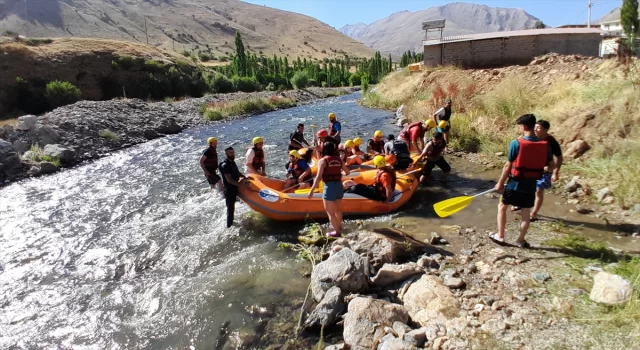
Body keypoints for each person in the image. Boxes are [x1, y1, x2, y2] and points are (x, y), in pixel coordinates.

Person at [491, 114, 555, 248]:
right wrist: (539, 169)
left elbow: (508, 166)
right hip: (531, 185)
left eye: (520, 126)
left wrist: (500, 182)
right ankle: (520, 240)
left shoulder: (516, 143)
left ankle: (500, 236)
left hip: (514, 183)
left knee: (502, 207)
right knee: (526, 213)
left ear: (524, 126)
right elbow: (551, 166)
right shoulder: (545, 145)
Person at [308, 142, 350, 237]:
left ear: (324, 149)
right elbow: (347, 172)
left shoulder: (322, 161)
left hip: (329, 187)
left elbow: (318, 178)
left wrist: (311, 191)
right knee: (338, 210)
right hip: (339, 186)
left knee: (330, 213)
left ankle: (337, 232)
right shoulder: (339, 159)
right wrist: (339, 174)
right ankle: (339, 227)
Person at [524, 119, 563, 220]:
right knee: (526, 188)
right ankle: (522, 206)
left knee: (538, 191)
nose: (536, 129)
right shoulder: (533, 138)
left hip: (545, 170)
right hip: (531, 168)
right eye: (535, 127)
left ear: (546, 130)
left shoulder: (551, 142)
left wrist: (555, 172)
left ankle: (534, 213)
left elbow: (559, 157)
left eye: (539, 128)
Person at [219, 147, 249, 228]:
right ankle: (229, 227)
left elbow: (236, 172)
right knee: (230, 209)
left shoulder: (232, 162)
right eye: (230, 153)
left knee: (233, 207)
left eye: (233, 152)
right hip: (229, 190)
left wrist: (244, 176)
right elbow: (229, 180)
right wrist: (242, 186)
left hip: (235, 187)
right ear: (226, 154)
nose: (232, 154)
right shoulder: (225, 165)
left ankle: (232, 223)